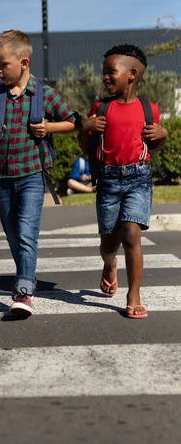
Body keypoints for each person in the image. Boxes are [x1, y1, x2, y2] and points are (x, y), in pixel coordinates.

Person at [0, 30, 78, 316]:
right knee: (12, 233)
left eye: (2, 65)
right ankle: (27, 273)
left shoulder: (43, 93)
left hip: (33, 174)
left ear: (23, 62)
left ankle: (23, 290)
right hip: (3, 177)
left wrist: (48, 127)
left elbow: (73, 121)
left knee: (26, 233)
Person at [78, 43, 168, 319]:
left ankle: (134, 295)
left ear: (131, 74)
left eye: (110, 72)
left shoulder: (148, 109)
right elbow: (85, 146)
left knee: (131, 236)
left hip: (139, 179)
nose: (105, 77)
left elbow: (155, 145)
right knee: (109, 244)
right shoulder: (101, 108)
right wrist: (86, 127)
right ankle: (109, 264)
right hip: (108, 181)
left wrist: (162, 134)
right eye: (104, 72)